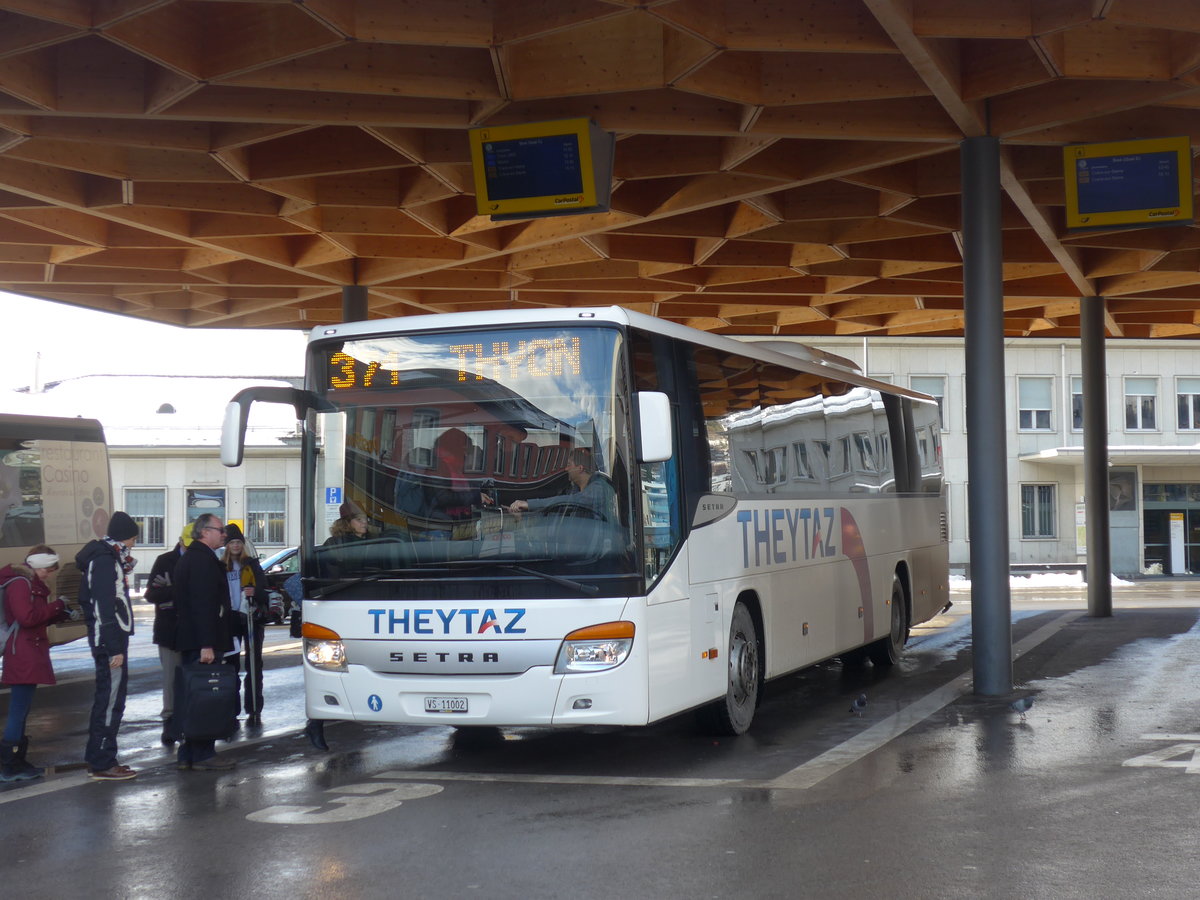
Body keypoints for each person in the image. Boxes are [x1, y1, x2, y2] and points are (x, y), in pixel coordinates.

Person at [0, 545, 76, 781]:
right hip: (23, 651)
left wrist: (58, 614)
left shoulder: (22, 581)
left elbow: (31, 616)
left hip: (24, 649)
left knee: (20, 711)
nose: (49, 575)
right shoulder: (21, 583)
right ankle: (10, 765)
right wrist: (57, 606)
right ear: (39, 565)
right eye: (48, 570)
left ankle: (16, 761)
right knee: (18, 711)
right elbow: (26, 617)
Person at [77, 510, 140, 781]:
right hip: (109, 641)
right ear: (129, 537)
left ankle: (102, 757)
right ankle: (102, 761)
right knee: (110, 701)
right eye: (135, 538)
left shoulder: (108, 556)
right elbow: (103, 607)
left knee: (110, 699)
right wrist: (114, 647)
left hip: (110, 639)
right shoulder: (105, 560)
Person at [171, 512, 236, 771]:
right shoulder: (202, 561)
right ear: (204, 532)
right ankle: (203, 754)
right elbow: (203, 605)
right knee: (206, 696)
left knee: (193, 695)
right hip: (202, 641)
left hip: (193, 639)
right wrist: (207, 644)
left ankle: (188, 753)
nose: (224, 534)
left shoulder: (194, 558)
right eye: (220, 530)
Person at [144, 522, 190, 746]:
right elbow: (152, 594)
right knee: (171, 678)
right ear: (181, 541)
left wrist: (171, 591)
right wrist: (176, 590)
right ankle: (170, 722)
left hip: (193, 631)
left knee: (191, 679)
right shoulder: (165, 561)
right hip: (169, 630)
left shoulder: (205, 559)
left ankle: (189, 723)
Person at [223, 523, 268, 724]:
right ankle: (231, 708)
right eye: (231, 542)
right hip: (230, 618)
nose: (235, 546)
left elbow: (263, 589)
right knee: (231, 664)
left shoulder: (251, 564)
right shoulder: (221, 566)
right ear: (226, 545)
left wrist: (254, 592)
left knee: (253, 663)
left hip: (250, 617)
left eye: (238, 542)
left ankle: (254, 706)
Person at [508, 448, 616, 521]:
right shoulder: (574, 490)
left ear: (580, 468)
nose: (566, 469)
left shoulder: (599, 489)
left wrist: (528, 504)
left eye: (569, 465)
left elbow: (567, 502)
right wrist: (523, 517)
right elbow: (556, 513)